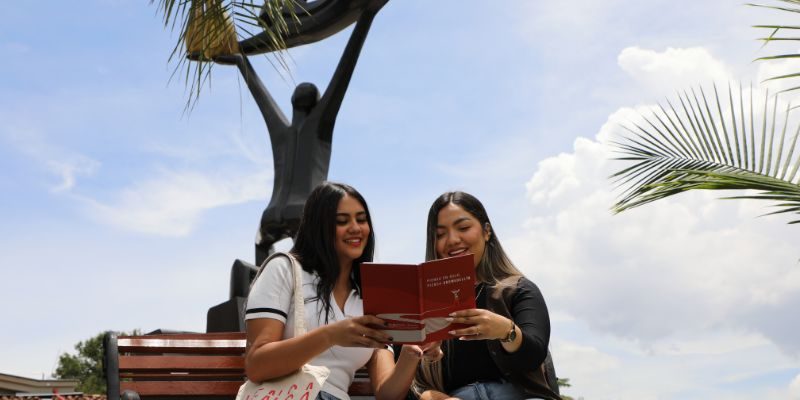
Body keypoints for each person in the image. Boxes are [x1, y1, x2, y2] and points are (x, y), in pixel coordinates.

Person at [213, 0, 389, 265]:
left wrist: (242, 63)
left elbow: (263, 99)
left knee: (264, 249)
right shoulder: (314, 125)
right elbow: (343, 73)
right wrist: (366, 17)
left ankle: (264, 288)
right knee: (306, 269)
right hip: (304, 212)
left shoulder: (285, 131)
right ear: (316, 102)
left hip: (272, 214)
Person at [245, 181, 440, 400]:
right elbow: (256, 366)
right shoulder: (285, 269)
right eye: (341, 221)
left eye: (362, 219)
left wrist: (411, 353)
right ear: (319, 227)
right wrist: (332, 335)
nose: (356, 228)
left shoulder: (370, 297)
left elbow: (387, 394)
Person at [412, 191, 561, 400]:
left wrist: (505, 331)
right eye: (440, 234)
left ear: (486, 231)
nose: (453, 240)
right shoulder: (424, 305)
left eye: (463, 228)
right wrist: (430, 395)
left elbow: (533, 356)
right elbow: (406, 384)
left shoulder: (519, 289)